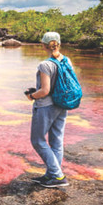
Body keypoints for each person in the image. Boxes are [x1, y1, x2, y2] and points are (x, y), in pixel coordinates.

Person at [26, 31, 69, 188]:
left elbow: (44, 91)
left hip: (46, 106)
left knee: (37, 140)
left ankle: (58, 176)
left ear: (43, 45)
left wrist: (31, 96)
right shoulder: (66, 61)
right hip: (62, 104)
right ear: (59, 43)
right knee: (56, 140)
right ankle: (52, 175)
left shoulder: (45, 65)